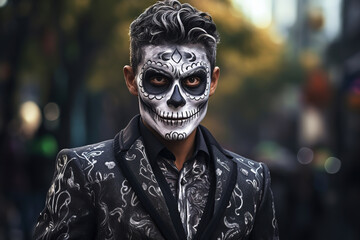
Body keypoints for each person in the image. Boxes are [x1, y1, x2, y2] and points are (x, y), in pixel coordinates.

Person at [33, 0, 279, 239]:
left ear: (212, 82)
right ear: (131, 79)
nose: (176, 99)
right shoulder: (83, 171)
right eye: (159, 79)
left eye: (192, 80)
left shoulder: (252, 180)